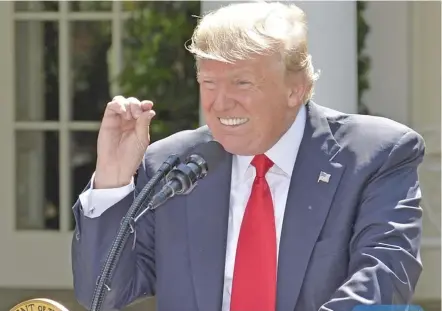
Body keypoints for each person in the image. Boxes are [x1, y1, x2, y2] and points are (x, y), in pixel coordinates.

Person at [71, 2, 426, 311]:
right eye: (209, 83)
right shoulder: (172, 164)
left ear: (296, 88)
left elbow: (384, 278)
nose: (220, 103)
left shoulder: (375, 156)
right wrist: (113, 181)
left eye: (242, 83)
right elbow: (104, 293)